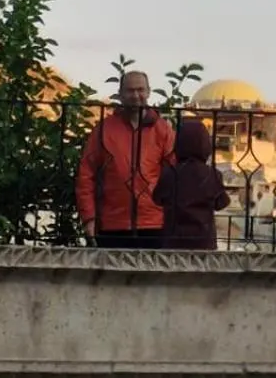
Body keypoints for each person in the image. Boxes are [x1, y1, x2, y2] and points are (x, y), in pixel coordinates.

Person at [76, 70, 175, 248]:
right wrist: (88, 217)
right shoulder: (104, 129)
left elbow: (174, 175)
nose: (136, 96)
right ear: (120, 94)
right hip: (112, 222)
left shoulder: (163, 130)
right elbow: (86, 174)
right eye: (130, 91)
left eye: (140, 90)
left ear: (148, 92)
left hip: (154, 222)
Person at [152, 118, 230, 251]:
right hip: (204, 241)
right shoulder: (212, 174)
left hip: (174, 240)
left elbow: (157, 198)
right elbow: (221, 203)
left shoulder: (170, 173)